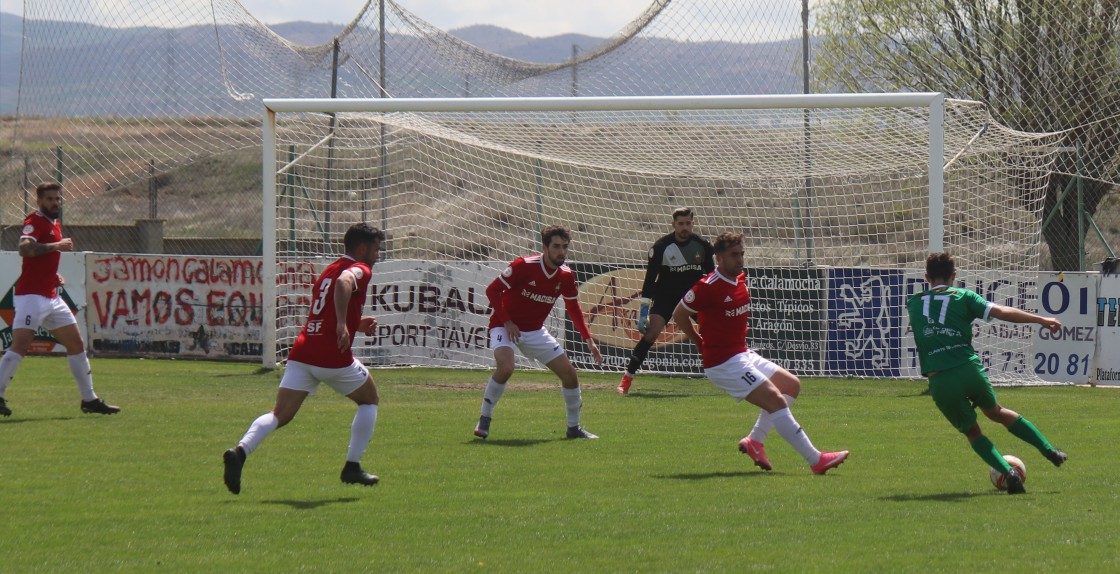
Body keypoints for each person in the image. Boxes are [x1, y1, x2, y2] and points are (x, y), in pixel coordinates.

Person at [222, 223, 386, 494]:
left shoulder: (327, 271)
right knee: (370, 400)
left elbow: (325, 310)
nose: (377, 256)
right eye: (376, 249)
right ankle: (352, 466)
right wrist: (343, 324)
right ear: (362, 248)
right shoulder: (360, 270)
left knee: (279, 414)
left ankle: (240, 452)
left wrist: (354, 324)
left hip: (303, 351)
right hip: (331, 356)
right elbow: (346, 282)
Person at [672, 231, 848, 474]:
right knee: (775, 400)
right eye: (734, 255)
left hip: (741, 354)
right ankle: (815, 459)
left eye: (742, 254)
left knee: (791, 385)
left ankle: (755, 441)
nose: (740, 259)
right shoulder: (707, 287)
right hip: (723, 363)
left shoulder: (740, 279)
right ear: (719, 258)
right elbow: (679, 314)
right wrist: (697, 341)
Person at [906, 252, 1067, 494]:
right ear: (954, 275)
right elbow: (1001, 312)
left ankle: (1009, 473)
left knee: (972, 431)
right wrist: (1040, 319)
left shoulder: (914, 302)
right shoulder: (964, 296)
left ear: (926, 277)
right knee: (997, 412)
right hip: (968, 369)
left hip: (940, 378)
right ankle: (1050, 450)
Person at [473, 225, 604, 440]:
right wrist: (507, 321)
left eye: (564, 247)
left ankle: (574, 429)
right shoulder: (524, 265)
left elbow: (573, 308)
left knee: (570, 374)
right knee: (506, 368)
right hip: (504, 326)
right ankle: (484, 419)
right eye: (556, 247)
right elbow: (492, 290)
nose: (561, 252)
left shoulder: (566, 275)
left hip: (534, 331)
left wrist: (588, 339)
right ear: (545, 247)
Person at [0, 182, 119, 418]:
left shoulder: (54, 222)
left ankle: (89, 399)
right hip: (31, 297)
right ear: (39, 202)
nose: (55, 203)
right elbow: (25, 249)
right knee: (20, 346)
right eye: (50, 199)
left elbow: (40, 260)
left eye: (57, 198)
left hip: (51, 297)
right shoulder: (34, 221)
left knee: (76, 344)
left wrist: (52, 275)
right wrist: (57, 245)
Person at [617, 207, 714, 395]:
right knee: (651, 334)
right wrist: (643, 312)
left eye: (688, 223)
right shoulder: (661, 247)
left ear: (692, 223)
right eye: (680, 224)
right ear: (673, 225)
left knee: (713, 332)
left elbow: (711, 279)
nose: (684, 227)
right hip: (665, 297)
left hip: (692, 298)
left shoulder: (702, 245)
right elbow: (649, 281)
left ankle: (727, 376)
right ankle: (627, 379)